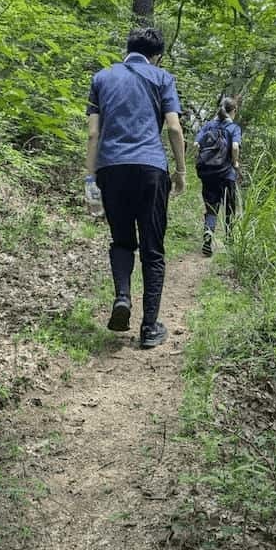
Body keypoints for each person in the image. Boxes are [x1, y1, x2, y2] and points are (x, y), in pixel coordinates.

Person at [86, 27, 186, 349]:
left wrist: (90, 179)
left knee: (122, 240)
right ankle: (149, 327)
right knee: (153, 249)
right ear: (156, 55)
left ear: (128, 48)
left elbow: (92, 135)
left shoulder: (102, 78)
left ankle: (122, 297)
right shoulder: (161, 77)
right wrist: (181, 171)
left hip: (111, 168)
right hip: (151, 169)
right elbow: (173, 126)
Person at [193, 97, 241, 257]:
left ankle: (208, 234)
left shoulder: (208, 126)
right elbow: (234, 146)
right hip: (227, 174)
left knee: (212, 207)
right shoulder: (233, 128)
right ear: (233, 111)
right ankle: (229, 240)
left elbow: (196, 144)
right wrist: (235, 163)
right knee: (229, 208)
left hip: (209, 174)